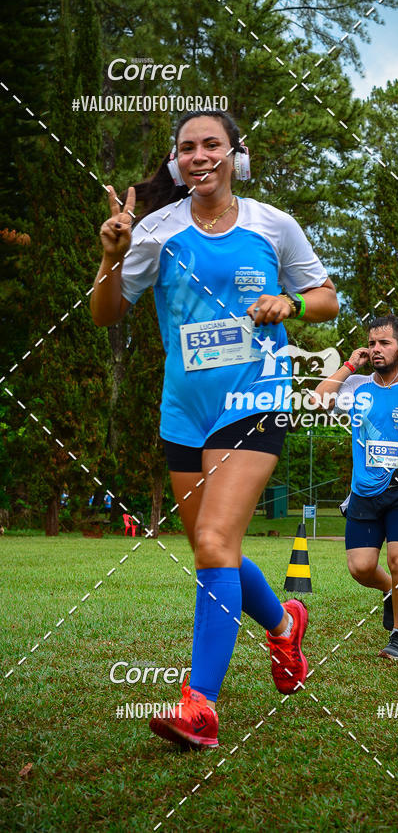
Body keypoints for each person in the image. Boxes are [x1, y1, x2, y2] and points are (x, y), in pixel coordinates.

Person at [90, 109, 339, 748]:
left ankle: (199, 706)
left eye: (212, 144)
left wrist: (293, 302)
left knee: (213, 544)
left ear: (235, 154)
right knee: (213, 544)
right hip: (185, 409)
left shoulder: (271, 225)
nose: (200, 155)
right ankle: (284, 625)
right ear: (177, 162)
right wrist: (111, 258)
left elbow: (328, 298)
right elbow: (106, 313)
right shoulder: (156, 231)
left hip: (255, 398)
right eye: (187, 147)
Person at [314, 315, 398, 660]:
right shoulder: (357, 386)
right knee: (361, 567)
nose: (376, 349)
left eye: (384, 343)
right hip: (365, 490)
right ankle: (389, 590)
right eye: (372, 343)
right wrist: (349, 364)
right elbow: (318, 400)